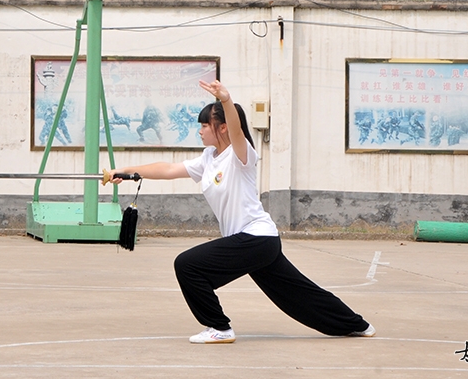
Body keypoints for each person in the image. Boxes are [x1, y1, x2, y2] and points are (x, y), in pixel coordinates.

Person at [110, 80, 375, 344]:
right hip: (256, 243)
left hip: (255, 237)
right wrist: (124, 171)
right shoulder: (208, 159)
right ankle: (356, 325)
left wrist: (226, 100)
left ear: (222, 127)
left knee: (187, 265)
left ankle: (219, 327)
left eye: (205, 125)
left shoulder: (241, 154)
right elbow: (167, 169)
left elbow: (237, 132)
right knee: (298, 295)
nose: (200, 131)